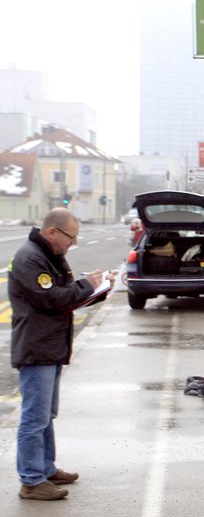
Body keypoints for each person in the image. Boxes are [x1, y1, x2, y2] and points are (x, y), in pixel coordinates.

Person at [9, 208, 110, 501]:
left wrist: (97, 288)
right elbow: (51, 298)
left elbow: (67, 293)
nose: (72, 243)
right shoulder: (31, 258)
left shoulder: (49, 256)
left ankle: (45, 468)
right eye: (71, 237)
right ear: (52, 232)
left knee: (45, 414)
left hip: (50, 345)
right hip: (36, 347)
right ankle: (31, 480)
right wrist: (86, 285)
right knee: (34, 416)